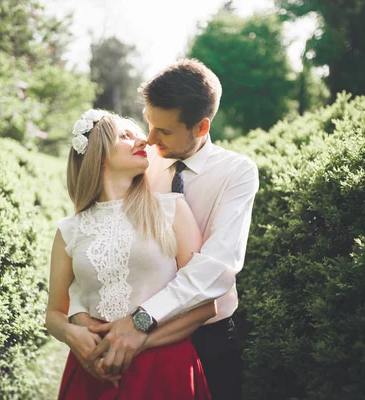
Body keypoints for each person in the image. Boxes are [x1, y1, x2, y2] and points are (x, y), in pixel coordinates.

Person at [70, 59, 259, 400]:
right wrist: (79, 314)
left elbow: (216, 269)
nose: (150, 139)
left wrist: (142, 323)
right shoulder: (140, 161)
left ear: (201, 128)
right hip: (126, 336)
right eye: (149, 124)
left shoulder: (237, 173)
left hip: (207, 337)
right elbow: (95, 236)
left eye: (165, 131)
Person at [45, 109, 215, 399]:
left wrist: (138, 341)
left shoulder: (171, 209)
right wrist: (71, 334)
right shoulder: (69, 230)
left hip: (164, 369)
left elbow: (204, 304)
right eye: (126, 136)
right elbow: (54, 313)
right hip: (92, 370)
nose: (143, 142)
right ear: (98, 152)